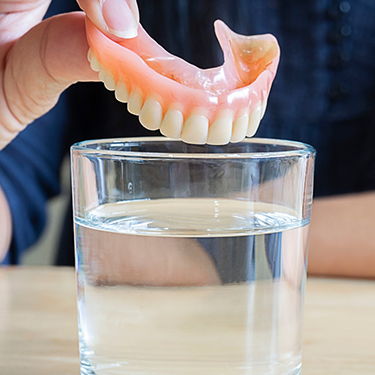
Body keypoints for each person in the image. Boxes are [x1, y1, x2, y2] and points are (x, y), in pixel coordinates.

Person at [0, 0, 375, 278]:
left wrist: (204, 246)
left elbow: (127, 255)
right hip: (118, 336)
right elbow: (12, 179)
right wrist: (6, 113)